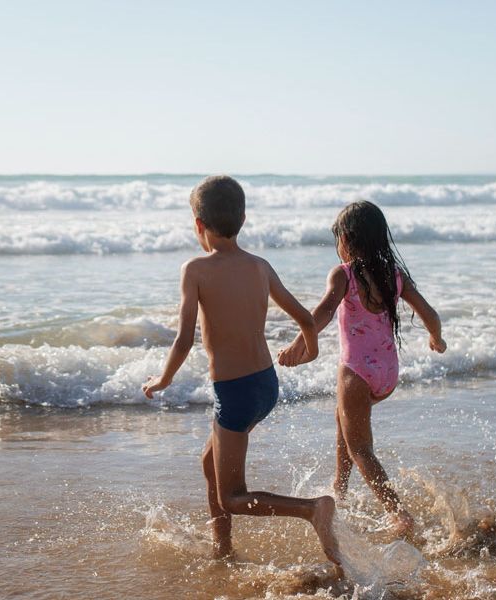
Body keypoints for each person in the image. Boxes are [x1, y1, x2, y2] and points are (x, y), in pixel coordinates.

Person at [143, 175, 340, 566]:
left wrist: (163, 379)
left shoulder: (195, 269)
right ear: (243, 219)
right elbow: (304, 317)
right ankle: (223, 548)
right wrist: (311, 352)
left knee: (233, 496)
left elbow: (184, 340)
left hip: (234, 393)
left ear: (198, 224)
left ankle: (311, 509)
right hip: (265, 386)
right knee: (209, 464)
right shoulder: (260, 266)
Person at [278, 200, 445, 538]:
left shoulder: (345, 274)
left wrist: (299, 345)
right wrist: (436, 338)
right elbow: (430, 314)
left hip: (355, 373)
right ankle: (339, 489)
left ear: (349, 240)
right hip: (387, 374)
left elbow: (322, 313)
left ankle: (399, 513)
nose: (338, 246)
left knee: (361, 449)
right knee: (344, 423)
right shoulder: (394, 276)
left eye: (339, 238)